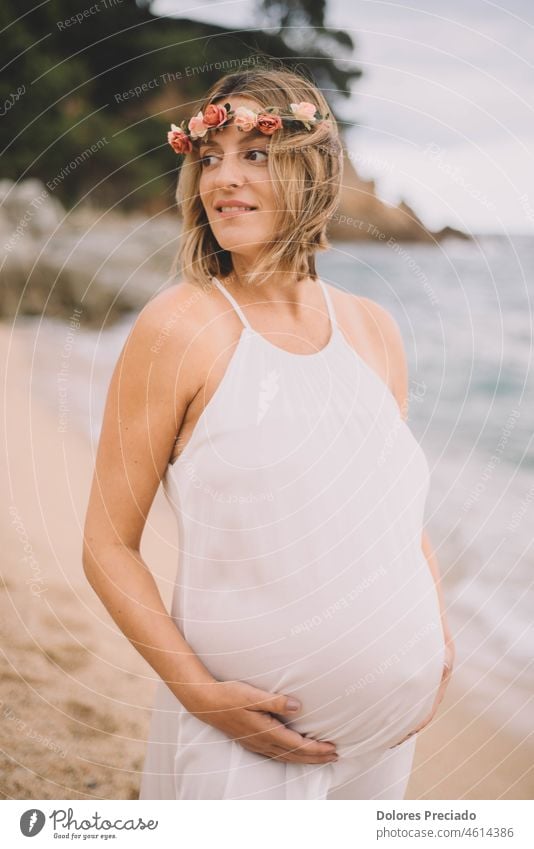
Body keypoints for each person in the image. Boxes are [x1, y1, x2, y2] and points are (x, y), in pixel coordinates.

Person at [82, 63, 455, 800]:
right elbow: (105, 545)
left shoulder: (373, 330)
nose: (223, 178)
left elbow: (396, 518)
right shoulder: (180, 328)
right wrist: (197, 691)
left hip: (386, 741)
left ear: (312, 170)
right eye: (210, 157)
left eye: (255, 153)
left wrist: (435, 644)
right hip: (240, 742)